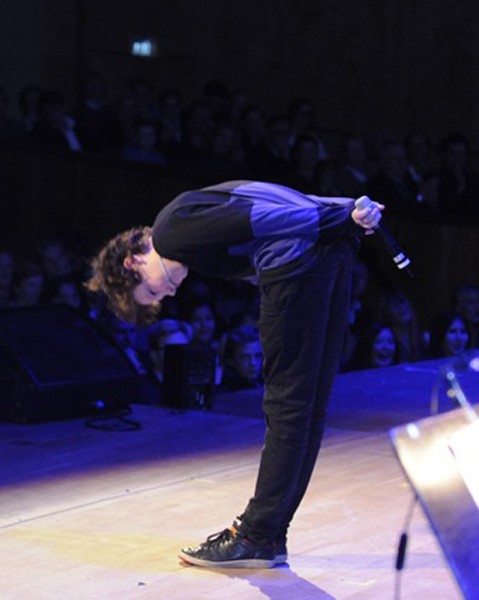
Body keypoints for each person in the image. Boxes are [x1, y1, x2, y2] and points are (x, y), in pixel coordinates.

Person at [87, 180, 382, 568]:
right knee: (308, 407)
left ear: (132, 262)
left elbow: (258, 215)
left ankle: (255, 536)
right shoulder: (186, 228)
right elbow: (269, 196)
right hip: (328, 256)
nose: (169, 295)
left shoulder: (171, 232)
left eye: (153, 292)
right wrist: (343, 210)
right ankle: (271, 533)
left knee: (290, 406)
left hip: (303, 265)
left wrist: (338, 217)